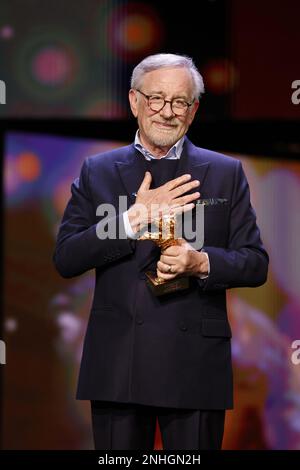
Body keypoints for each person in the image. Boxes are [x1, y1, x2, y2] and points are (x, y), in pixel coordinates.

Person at [53, 53, 269, 450]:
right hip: (119, 363)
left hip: (195, 364)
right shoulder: (96, 171)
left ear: (194, 109)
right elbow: (66, 258)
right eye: (156, 99)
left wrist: (201, 262)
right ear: (135, 101)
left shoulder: (225, 172)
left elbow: (255, 263)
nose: (167, 112)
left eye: (179, 102)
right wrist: (130, 221)